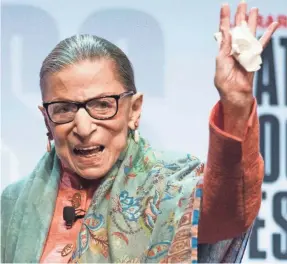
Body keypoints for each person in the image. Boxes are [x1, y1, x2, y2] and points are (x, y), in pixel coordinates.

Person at [1, 2, 279, 263]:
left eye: (102, 105)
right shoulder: (12, 206)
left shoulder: (171, 187)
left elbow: (229, 212)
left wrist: (236, 107)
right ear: (47, 120)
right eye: (63, 109)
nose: (83, 128)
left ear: (134, 110)